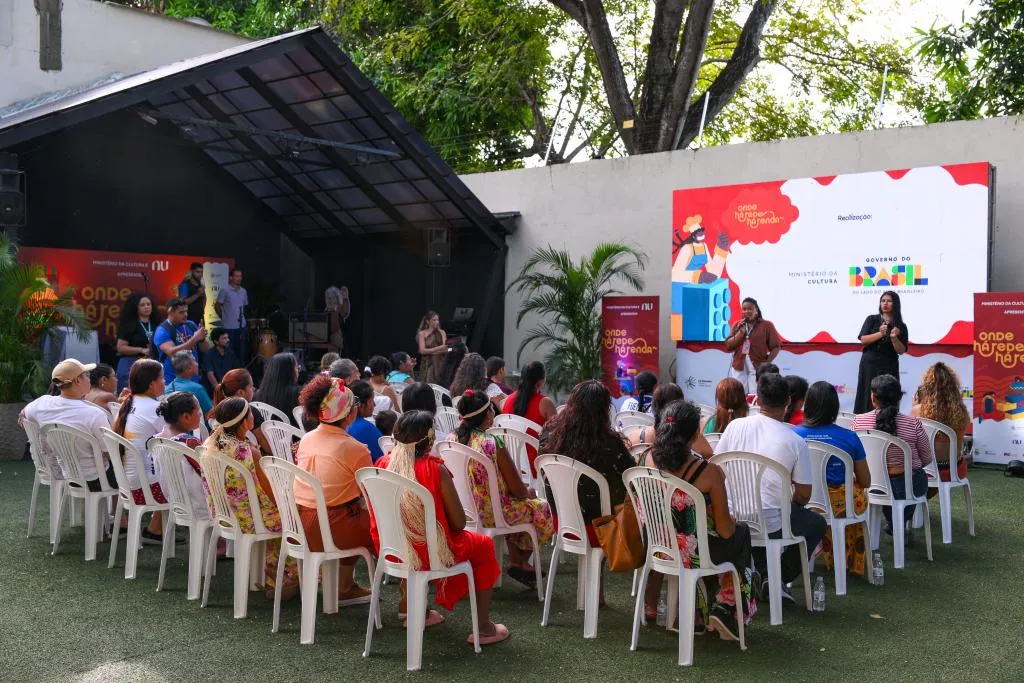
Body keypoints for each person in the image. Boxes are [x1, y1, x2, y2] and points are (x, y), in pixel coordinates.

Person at [373, 410, 508, 644]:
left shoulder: (382, 464)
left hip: (392, 550)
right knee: (485, 545)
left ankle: (417, 613)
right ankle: (484, 627)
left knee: (408, 534)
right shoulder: (436, 469)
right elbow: (458, 523)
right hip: (431, 552)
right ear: (429, 439)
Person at [644, 400, 757, 640]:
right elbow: (726, 531)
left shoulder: (647, 461)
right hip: (696, 554)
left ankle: (696, 614)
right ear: (696, 433)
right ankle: (725, 607)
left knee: (701, 539)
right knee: (740, 534)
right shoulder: (709, 473)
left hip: (658, 548)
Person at [714, 373, 826, 597]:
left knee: (781, 516)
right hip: (771, 523)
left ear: (759, 400)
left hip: (731, 516)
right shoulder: (794, 440)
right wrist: (788, 502)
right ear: (788, 403)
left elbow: (716, 470)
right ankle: (775, 576)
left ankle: (763, 572)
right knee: (816, 524)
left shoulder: (734, 426)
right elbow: (804, 494)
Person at [450, 390, 554, 588]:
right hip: (493, 514)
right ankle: (520, 560)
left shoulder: (451, 439)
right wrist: (528, 492)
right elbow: (518, 489)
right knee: (542, 508)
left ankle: (517, 560)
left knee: (514, 504)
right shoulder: (492, 443)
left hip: (462, 510)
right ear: (488, 415)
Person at [202, 397, 298, 599]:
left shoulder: (210, 445)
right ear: (245, 422)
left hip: (224, 515)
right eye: (250, 414)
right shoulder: (247, 451)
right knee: (292, 517)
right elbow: (268, 489)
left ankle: (275, 574)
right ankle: (286, 576)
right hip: (250, 520)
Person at [293, 376, 374, 604]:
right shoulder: (355, 449)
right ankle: (409, 603)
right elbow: (370, 494)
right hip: (332, 529)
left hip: (300, 526)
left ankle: (345, 586)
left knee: (354, 511)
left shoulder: (307, 438)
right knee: (386, 524)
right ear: (348, 414)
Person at [539, 380, 635, 548]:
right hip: (601, 527)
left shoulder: (550, 432)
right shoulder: (609, 443)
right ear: (604, 410)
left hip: (559, 519)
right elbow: (631, 477)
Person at [793, 381, 871, 576]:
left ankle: (816, 546)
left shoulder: (792, 435)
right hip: (842, 505)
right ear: (835, 407)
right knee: (856, 498)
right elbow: (866, 481)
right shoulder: (850, 437)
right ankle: (844, 557)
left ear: (807, 406)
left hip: (804, 501)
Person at [852, 374, 933, 534]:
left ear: (873, 398)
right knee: (920, 476)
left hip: (871, 486)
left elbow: (852, 456)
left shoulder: (858, 422)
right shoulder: (913, 424)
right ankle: (899, 521)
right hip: (907, 487)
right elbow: (927, 458)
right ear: (899, 398)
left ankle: (893, 520)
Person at [21, 359, 116, 490]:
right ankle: (120, 511)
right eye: (86, 376)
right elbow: (110, 453)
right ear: (77, 381)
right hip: (95, 479)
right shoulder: (95, 414)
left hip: (66, 474)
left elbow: (23, 414)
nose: (89, 380)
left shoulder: (41, 403)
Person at [112, 359, 168, 542]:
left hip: (127, 485)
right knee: (191, 481)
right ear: (151, 384)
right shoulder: (156, 408)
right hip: (145, 489)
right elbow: (174, 439)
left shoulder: (129, 402)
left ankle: (156, 529)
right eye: (162, 378)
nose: (165, 382)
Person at [910, 362, 971, 493]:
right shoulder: (961, 411)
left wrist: (915, 406)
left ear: (927, 387)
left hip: (927, 471)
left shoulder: (917, 410)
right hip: (954, 470)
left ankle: (916, 504)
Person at [155, 392, 211, 522]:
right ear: (186, 416)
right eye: (198, 411)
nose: (200, 414)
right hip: (200, 507)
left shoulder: (158, 440)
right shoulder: (188, 444)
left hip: (176, 503)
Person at [854, 291, 908, 413]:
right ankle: (864, 422)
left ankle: (887, 422)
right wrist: (880, 333)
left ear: (895, 304)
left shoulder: (901, 326)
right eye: (883, 300)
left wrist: (894, 338)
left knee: (888, 394)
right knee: (867, 394)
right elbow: (863, 340)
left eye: (889, 301)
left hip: (889, 366)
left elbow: (901, 350)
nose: (885, 303)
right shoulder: (872, 319)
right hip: (870, 366)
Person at [500, 361, 556, 476]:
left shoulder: (506, 401)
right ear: (540, 383)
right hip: (536, 466)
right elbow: (557, 435)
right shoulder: (545, 403)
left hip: (511, 464)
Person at [628, 384, 714, 459]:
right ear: (680, 407)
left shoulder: (633, 438)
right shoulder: (691, 437)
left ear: (653, 406)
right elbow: (713, 459)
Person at [725, 298, 781, 395]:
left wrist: (767, 362)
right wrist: (740, 333)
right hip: (739, 365)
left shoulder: (766, 325)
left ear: (756, 310)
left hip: (758, 366)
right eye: (744, 309)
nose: (746, 311)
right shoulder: (738, 325)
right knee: (739, 393)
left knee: (755, 394)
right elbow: (729, 346)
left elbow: (776, 346)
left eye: (750, 309)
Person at [212, 369, 272, 456]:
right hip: (253, 460)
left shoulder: (217, 410)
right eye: (251, 386)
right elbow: (268, 447)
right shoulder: (249, 411)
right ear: (241, 392)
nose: (254, 389)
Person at [154, 297, 208, 383]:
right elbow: (172, 352)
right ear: (170, 312)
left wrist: (202, 338)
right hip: (173, 381)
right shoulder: (162, 330)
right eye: (181, 312)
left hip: (194, 379)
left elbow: (205, 348)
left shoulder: (190, 324)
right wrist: (195, 338)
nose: (185, 314)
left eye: (186, 311)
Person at [115, 292, 158, 392]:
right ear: (136, 308)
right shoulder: (128, 325)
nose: (146, 307)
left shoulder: (157, 325)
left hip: (151, 363)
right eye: (142, 305)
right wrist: (142, 350)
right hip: (130, 363)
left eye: (148, 304)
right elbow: (121, 347)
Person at [253, 352, 301, 424]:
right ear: (290, 371)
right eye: (297, 367)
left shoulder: (258, 395)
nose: (298, 371)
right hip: (294, 434)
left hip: (266, 434)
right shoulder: (297, 394)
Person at [215, 268, 249, 363]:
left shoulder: (243, 291)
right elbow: (217, 305)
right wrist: (223, 317)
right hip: (229, 327)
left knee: (241, 352)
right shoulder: (225, 290)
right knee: (229, 352)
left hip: (241, 326)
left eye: (240, 276)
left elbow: (244, 307)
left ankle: (240, 371)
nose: (239, 278)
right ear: (231, 277)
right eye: (237, 276)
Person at [166, 351, 214, 417]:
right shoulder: (197, 389)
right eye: (195, 361)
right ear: (189, 367)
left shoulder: (168, 388)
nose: (197, 364)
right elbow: (211, 414)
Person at [347, 380, 385, 462]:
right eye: (372, 400)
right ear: (361, 405)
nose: (374, 404)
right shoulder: (365, 428)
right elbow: (385, 457)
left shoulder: (339, 424)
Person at [202, 327, 239, 397]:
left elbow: (235, 371)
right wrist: (220, 392)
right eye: (224, 338)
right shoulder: (208, 354)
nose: (228, 340)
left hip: (228, 388)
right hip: (213, 391)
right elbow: (210, 375)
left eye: (227, 338)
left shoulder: (230, 352)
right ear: (216, 341)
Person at [417, 311, 447, 385]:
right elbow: (422, 351)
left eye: (437, 320)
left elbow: (445, 348)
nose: (437, 322)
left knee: (439, 383)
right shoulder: (422, 333)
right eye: (434, 320)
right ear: (428, 321)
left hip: (439, 362)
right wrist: (437, 349)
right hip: (427, 363)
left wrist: (430, 351)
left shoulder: (442, 332)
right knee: (427, 383)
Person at [324, 286, 350, 354]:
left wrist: (345, 299)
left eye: (332, 298)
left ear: (337, 299)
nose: (330, 301)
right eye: (328, 298)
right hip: (324, 339)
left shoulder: (339, 307)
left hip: (335, 340)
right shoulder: (326, 310)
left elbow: (345, 312)